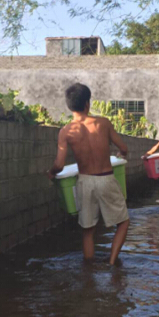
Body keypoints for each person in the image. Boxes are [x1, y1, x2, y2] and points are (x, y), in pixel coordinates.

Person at [47, 83, 129, 265]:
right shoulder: (103, 123)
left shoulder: (66, 131)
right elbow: (123, 147)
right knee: (122, 222)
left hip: (84, 182)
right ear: (87, 104)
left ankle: (89, 272)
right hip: (106, 179)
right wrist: (121, 154)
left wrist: (51, 173)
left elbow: (59, 165)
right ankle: (112, 262)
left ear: (69, 106)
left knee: (88, 230)